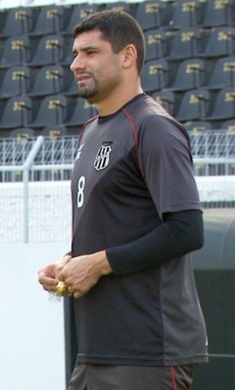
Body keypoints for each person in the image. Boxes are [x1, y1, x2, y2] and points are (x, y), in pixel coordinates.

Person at [37, 10, 208, 390]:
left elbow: (186, 230)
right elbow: (117, 224)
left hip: (147, 352)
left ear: (127, 56)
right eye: (75, 54)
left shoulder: (153, 127)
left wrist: (97, 264)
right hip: (96, 350)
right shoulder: (90, 131)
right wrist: (69, 263)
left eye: (90, 52)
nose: (75, 63)